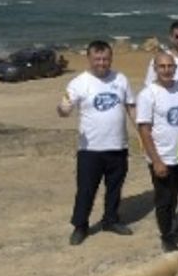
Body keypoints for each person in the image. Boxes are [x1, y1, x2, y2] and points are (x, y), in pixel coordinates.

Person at [58, 40, 135, 245]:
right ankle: (80, 225)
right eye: (97, 58)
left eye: (106, 58)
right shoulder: (78, 83)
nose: (102, 62)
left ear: (111, 58)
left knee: (115, 188)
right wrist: (63, 109)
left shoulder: (121, 79)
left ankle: (110, 220)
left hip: (118, 145)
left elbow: (131, 107)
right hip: (90, 149)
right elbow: (64, 109)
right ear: (89, 58)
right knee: (86, 189)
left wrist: (142, 130)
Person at [137, 52, 178, 252]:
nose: (166, 70)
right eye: (162, 66)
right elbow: (144, 130)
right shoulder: (148, 94)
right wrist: (156, 161)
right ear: (155, 69)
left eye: (170, 66)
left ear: (175, 68)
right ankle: (167, 236)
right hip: (163, 158)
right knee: (166, 200)